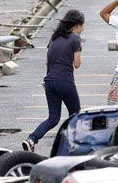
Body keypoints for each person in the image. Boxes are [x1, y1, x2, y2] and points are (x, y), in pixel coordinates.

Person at [22, 9, 86, 152]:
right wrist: (79, 48)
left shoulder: (54, 37)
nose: (83, 28)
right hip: (65, 82)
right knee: (75, 115)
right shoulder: (76, 39)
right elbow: (77, 64)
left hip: (50, 81)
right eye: (82, 25)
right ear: (76, 25)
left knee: (53, 118)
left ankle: (31, 139)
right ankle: (74, 145)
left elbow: (47, 61)